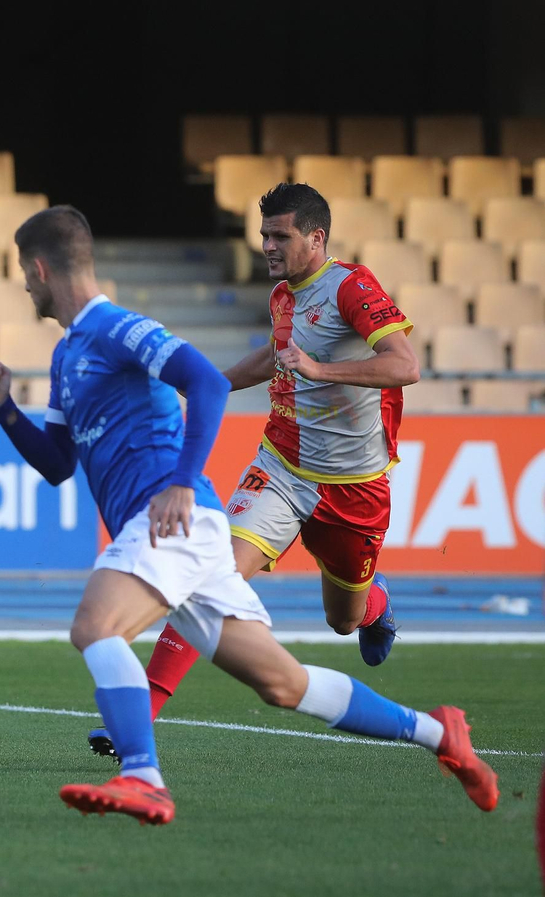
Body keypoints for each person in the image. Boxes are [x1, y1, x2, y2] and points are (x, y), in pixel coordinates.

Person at [0, 205, 495, 824]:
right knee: (284, 685)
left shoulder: (117, 329)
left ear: (39, 267)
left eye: (24, 275)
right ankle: (439, 734)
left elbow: (207, 384)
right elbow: (57, 463)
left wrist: (183, 482)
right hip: (186, 536)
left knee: (96, 628)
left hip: (170, 519)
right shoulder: (66, 358)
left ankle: (142, 776)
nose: (25, 287)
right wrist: (3, 408)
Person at [91, 182, 420, 759]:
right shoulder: (283, 295)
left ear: (316, 238)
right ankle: (138, 716)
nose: (267, 245)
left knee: (344, 620)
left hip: (354, 487)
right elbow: (274, 357)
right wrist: (206, 384)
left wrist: (319, 370)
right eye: (264, 234)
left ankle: (376, 605)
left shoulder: (352, 286)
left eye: (280, 235)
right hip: (281, 468)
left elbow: (404, 365)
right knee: (209, 574)